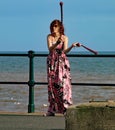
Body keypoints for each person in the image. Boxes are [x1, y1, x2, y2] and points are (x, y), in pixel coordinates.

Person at [45, 19, 81, 116]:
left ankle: (65, 108)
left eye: (56, 26)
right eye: (52, 26)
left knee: (64, 85)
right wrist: (57, 43)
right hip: (52, 62)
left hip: (62, 63)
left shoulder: (64, 37)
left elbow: (65, 51)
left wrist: (72, 46)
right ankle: (52, 109)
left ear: (60, 27)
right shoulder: (49, 37)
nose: (53, 28)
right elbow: (50, 49)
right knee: (52, 85)